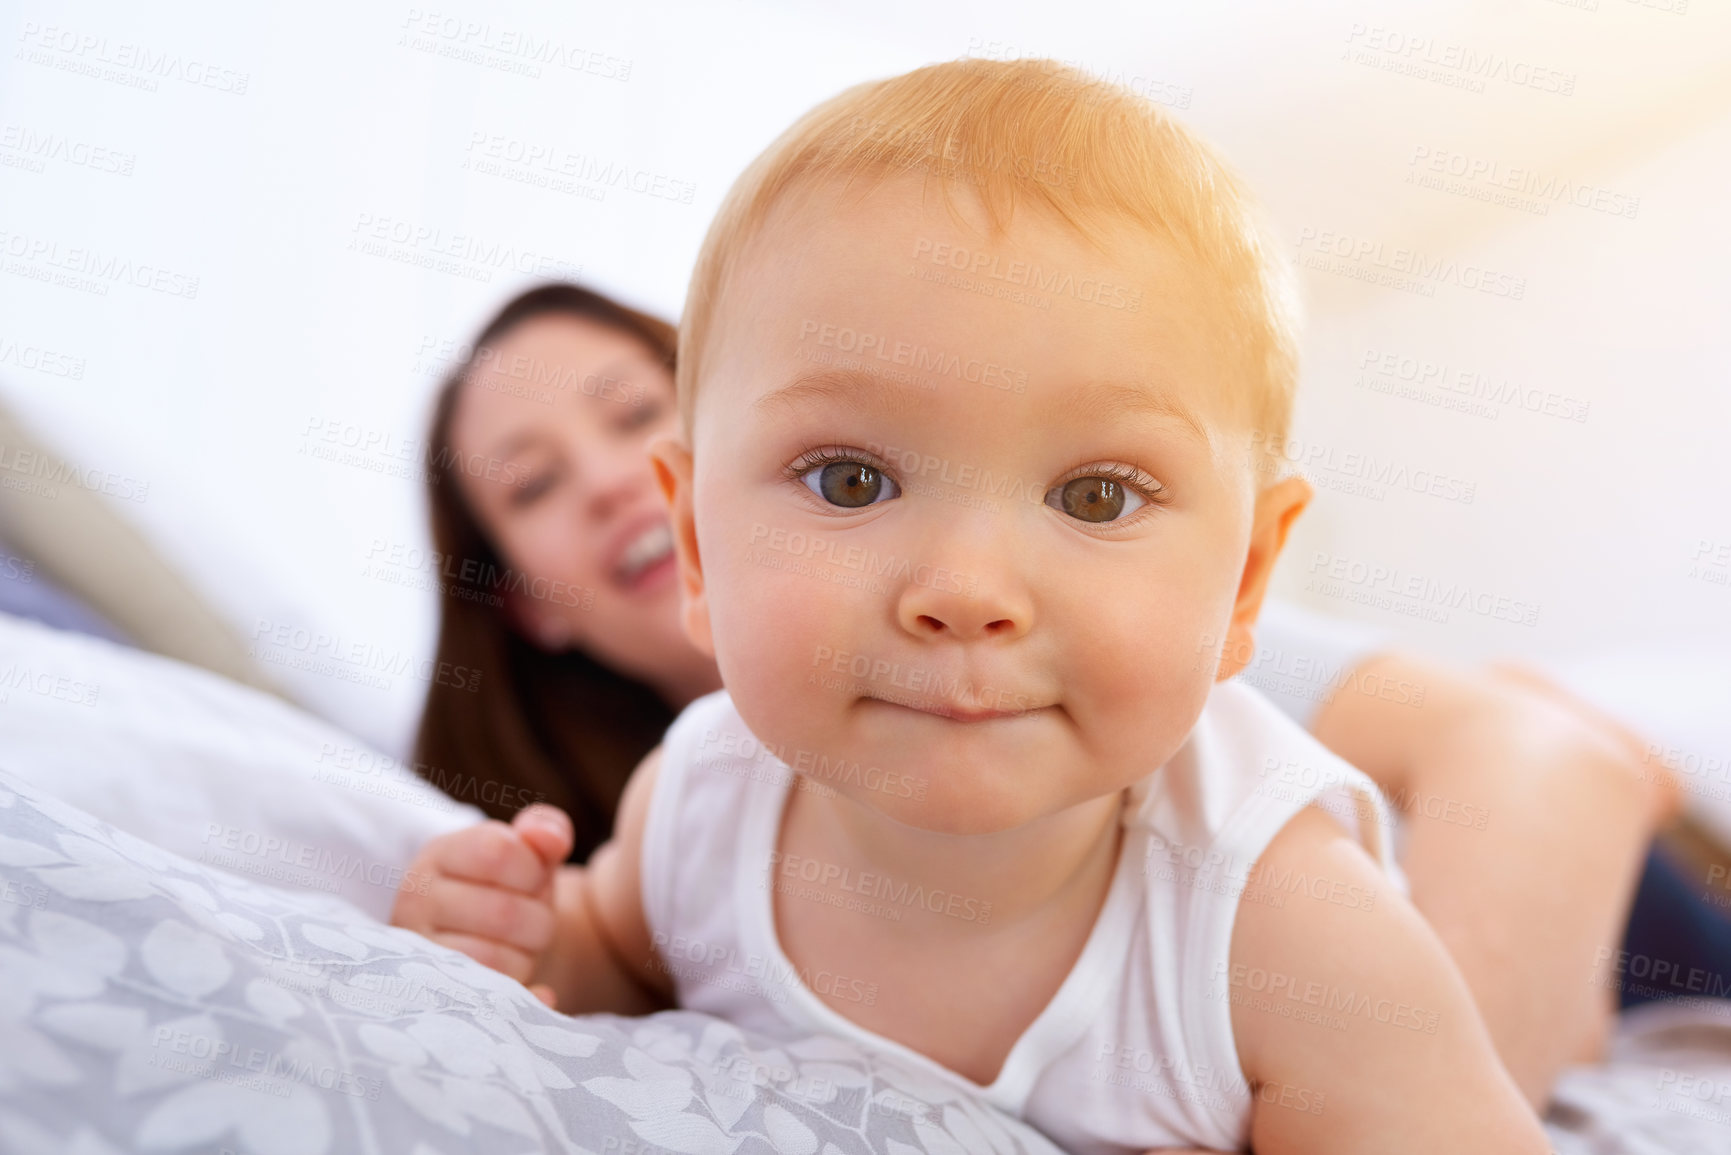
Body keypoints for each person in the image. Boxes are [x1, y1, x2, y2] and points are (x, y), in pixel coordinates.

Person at [392, 57, 1622, 1151]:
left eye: (1096, 495)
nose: (969, 592)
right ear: (699, 534)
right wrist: (527, 939)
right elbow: (615, 948)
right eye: (852, 480)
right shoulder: (694, 806)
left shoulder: (1292, 932)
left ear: (1246, 573)